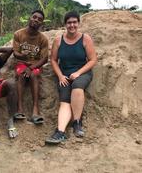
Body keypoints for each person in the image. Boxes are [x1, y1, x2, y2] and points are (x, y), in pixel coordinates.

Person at [45, 11, 97, 144]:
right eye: (69, 22)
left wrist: (79, 73)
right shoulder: (58, 40)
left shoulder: (86, 39)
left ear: (78, 23)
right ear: (65, 24)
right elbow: (54, 60)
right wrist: (60, 76)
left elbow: (92, 60)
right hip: (64, 74)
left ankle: (77, 123)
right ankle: (60, 132)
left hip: (83, 72)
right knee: (64, 100)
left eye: (74, 22)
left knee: (77, 86)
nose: (72, 25)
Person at [13, 10, 49, 124]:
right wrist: (23, 57)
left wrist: (31, 67)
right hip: (21, 63)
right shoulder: (18, 34)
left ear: (41, 23)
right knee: (21, 74)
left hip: (35, 65)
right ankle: (19, 109)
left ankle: (35, 111)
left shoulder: (43, 39)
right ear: (30, 18)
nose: (36, 20)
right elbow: (15, 53)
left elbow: (44, 59)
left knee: (34, 75)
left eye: (39, 19)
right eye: (34, 17)